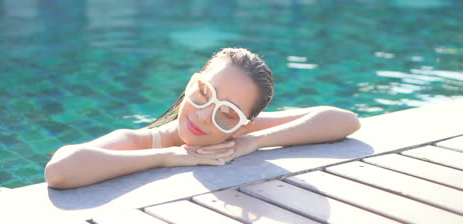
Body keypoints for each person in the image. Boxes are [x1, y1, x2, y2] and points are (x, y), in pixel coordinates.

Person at [45, 47, 361, 189]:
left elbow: (344, 120)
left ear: (243, 124)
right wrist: (169, 156)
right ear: (191, 83)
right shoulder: (142, 140)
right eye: (203, 92)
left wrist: (253, 142)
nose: (205, 114)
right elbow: (60, 170)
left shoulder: (238, 135)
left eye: (227, 113)